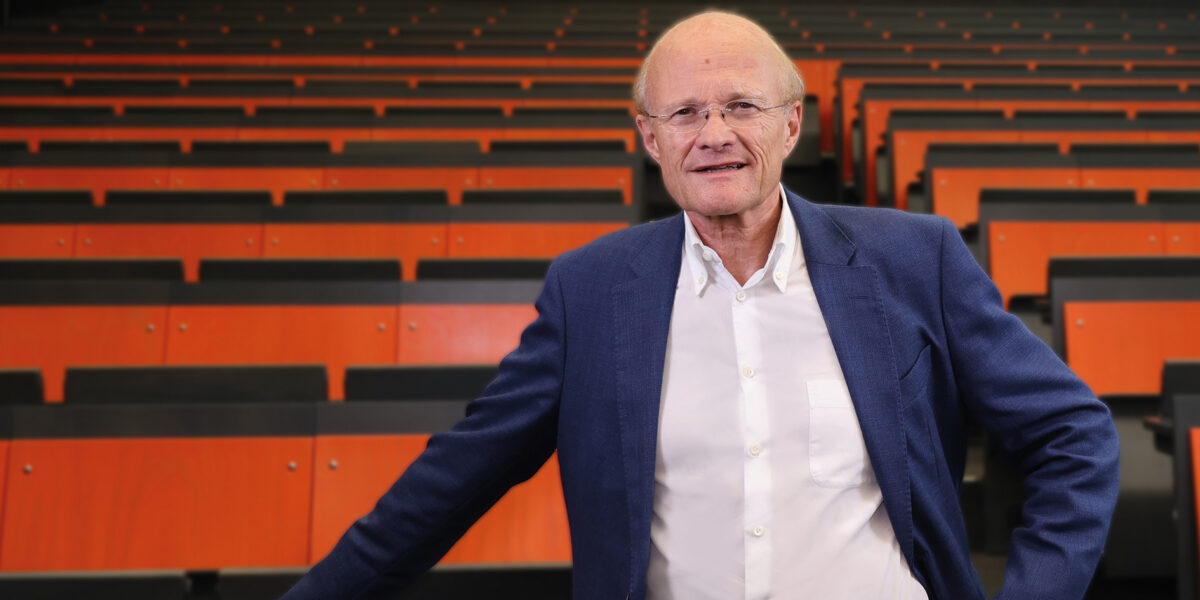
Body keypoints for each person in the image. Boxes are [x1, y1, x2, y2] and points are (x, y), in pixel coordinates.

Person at [284, 11, 1118, 600]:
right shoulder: (592, 291)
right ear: (652, 141)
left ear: (792, 125)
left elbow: (1074, 433)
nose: (713, 132)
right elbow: (453, 481)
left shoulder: (914, 257)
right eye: (684, 113)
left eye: (741, 106)